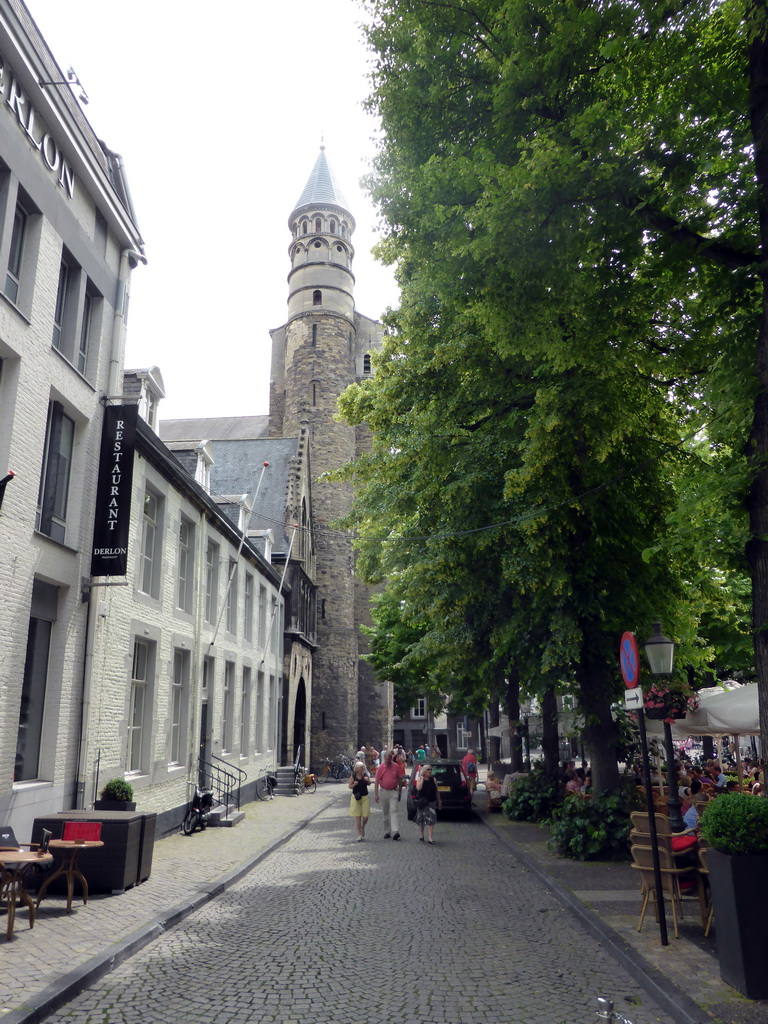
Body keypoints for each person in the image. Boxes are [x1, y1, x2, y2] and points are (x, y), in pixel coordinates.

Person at [375, 749, 404, 839]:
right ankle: (387, 831)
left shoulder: (396, 766)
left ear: (391, 759)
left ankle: (395, 831)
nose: (387, 761)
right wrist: (376, 795)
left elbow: (400, 780)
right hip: (384, 791)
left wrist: (400, 793)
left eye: (389, 760)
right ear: (384, 758)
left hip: (393, 791)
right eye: (386, 760)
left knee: (394, 810)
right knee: (385, 812)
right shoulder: (381, 767)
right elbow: (376, 781)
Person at [414, 764, 441, 844]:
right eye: (429, 770)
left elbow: (437, 791)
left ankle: (430, 837)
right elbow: (418, 788)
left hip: (431, 802)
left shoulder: (433, 779)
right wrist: (422, 779)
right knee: (422, 819)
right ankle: (421, 834)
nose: (430, 771)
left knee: (432, 819)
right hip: (423, 803)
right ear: (424, 771)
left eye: (431, 770)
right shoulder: (420, 779)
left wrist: (439, 801)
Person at [348, 761, 372, 841]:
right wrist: (354, 784)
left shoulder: (365, 775)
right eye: (362, 767)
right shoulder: (353, 776)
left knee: (365, 816)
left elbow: (369, 784)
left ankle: (362, 826)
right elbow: (350, 786)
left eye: (363, 767)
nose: (363, 768)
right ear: (358, 769)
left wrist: (367, 780)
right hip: (356, 797)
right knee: (357, 816)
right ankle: (359, 834)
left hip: (365, 797)